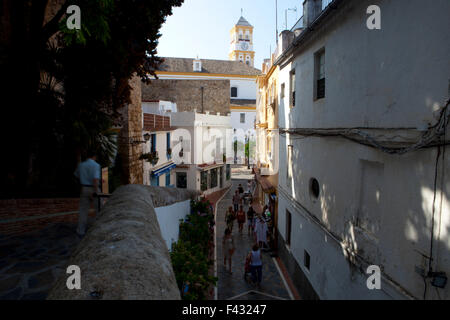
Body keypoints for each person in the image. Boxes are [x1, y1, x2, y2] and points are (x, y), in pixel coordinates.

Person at [74, 151, 101, 237]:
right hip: (94, 188)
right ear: (94, 156)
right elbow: (95, 179)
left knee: (83, 211)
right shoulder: (96, 165)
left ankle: (80, 230)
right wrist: (95, 191)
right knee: (99, 210)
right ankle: (99, 229)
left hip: (84, 188)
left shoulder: (81, 165)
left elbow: (76, 175)